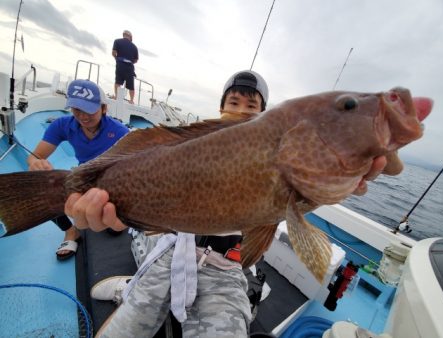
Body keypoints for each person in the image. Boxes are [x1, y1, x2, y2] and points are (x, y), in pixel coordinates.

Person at [65, 71, 388, 337]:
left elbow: (263, 236)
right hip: (168, 251)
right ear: (220, 109)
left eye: (252, 105)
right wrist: (114, 213)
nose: (242, 109)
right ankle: (132, 289)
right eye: (233, 101)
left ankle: (134, 288)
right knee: (125, 327)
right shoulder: (196, 148)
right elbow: (131, 214)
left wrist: (330, 184)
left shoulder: (278, 158)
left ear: (265, 116)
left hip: (227, 267)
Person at [28, 79, 129, 260]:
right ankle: (70, 231)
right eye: (77, 109)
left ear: (104, 108)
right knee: (41, 187)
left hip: (109, 179)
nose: (83, 116)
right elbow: (35, 156)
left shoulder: (120, 132)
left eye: (89, 110)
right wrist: (36, 163)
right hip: (82, 175)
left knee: (113, 229)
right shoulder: (62, 125)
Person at [112, 30, 139, 104]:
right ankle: (131, 100)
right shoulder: (134, 47)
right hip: (129, 67)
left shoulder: (117, 41)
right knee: (131, 85)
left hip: (120, 64)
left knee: (118, 81)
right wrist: (130, 62)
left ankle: (116, 96)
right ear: (130, 37)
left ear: (124, 35)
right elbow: (136, 60)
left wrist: (117, 59)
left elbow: (113, 53)